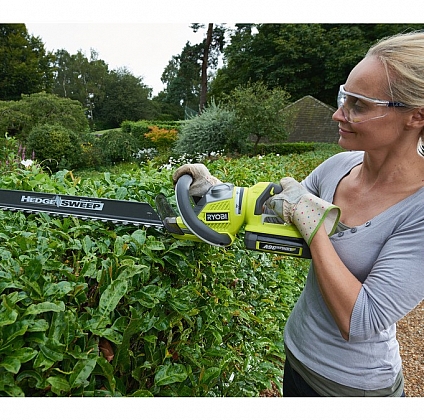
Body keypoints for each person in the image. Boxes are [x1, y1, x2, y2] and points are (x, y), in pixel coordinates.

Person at [173, 31, 424, 397]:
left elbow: (361, 322)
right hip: (297, 354)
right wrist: (215, 192)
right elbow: (278, 205)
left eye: (359, 105)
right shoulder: (339, 166)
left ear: (415, 116)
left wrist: (316, 228)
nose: (339, 113)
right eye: (343, 98)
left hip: (350, 387)